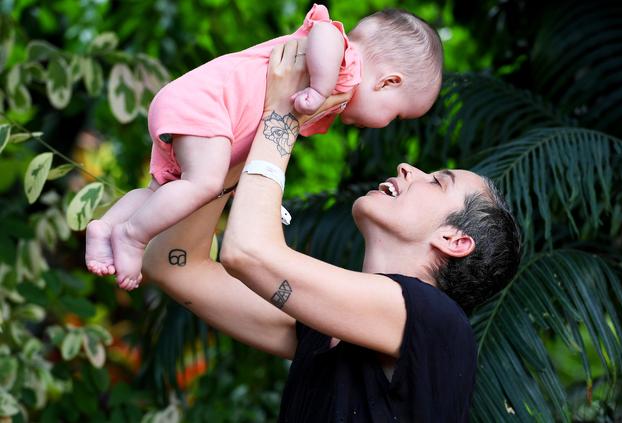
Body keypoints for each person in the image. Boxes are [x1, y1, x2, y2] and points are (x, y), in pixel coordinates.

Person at [142, 39, 521, 421]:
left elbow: (248, 253)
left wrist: (283, 113)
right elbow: (172, 264)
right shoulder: (320, 331)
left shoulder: (438, 322)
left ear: (455, 241)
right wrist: (234, 134)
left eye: (438, 182)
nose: (409, 167)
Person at [85, 3, 444, 289]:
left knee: (162, 191)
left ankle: (107, 225)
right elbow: (325, 31)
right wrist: (320, 87)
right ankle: (132, 237)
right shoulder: (345, 65)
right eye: (396, 115)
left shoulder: (334, 95)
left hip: (203, 118)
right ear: (388, 82)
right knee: (203, 183)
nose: (386, 124)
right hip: (206, 106)